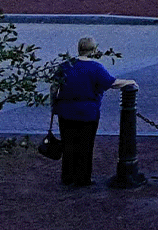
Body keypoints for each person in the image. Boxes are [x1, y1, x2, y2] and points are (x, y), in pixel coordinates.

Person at [51, 36, 136, 188]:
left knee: (68, 144)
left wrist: (54, 105)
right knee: (85, 145)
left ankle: (67, 176)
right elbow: (112, 83)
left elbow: (54, 88)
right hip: (87, 112)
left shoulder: (65, 66)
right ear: (94, 50)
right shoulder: (96, 68)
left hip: (65, 111)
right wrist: (130, 82)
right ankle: (82, 178)